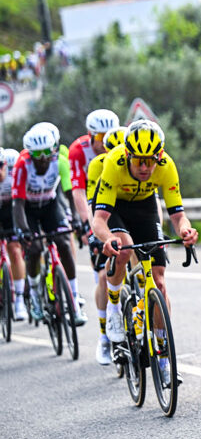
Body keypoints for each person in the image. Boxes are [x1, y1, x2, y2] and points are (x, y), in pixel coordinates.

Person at [92, 120, 199, 386]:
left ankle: (163, 357)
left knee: (159, 282)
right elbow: (99, 220)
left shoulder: (166, 166)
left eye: (150, 161)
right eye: (138, 161)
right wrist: (107, 240)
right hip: (115, 208)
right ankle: (115, 309)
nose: (144, 167)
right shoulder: (114, 163)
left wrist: (186, 231)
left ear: (159, 157)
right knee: (124, 247)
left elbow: (178, 216)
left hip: (145, 208)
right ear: (127, 154)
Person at [13, 124, 85, 325]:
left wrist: (77, 220)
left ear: (54, 148)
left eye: (48, 151)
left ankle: (74, 297)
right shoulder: (22, 165)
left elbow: (70, 194)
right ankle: (35, 296)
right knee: (34, 248)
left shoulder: (60, 161)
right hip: (28, 209)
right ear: (30, 153)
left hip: (50, 206)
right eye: (38, 154)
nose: (44, 158)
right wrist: (24, 230)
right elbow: (17, 203)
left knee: (63, 243)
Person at [67, 109, 121, 364]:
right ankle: (104, 336)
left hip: (122, 204)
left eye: (108, 134)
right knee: (102, 274)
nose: (104, 140)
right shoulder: (79, 151)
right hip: (94, 207)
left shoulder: (122, 143)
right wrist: (91, 227)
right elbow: (79, 193)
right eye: (100, 136)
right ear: (90, 135)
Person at [85, 126, 126, 365]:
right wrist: (100, 235)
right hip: (106, 217)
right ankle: (104, 336)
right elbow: (94, 207)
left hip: (133, 214)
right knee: (103, 276)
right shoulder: (99, 166)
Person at [0, 148, 26, 321]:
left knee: (15, 251)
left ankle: (20, 301)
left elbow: (23, 203)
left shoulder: (13, 174)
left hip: (11, 210)